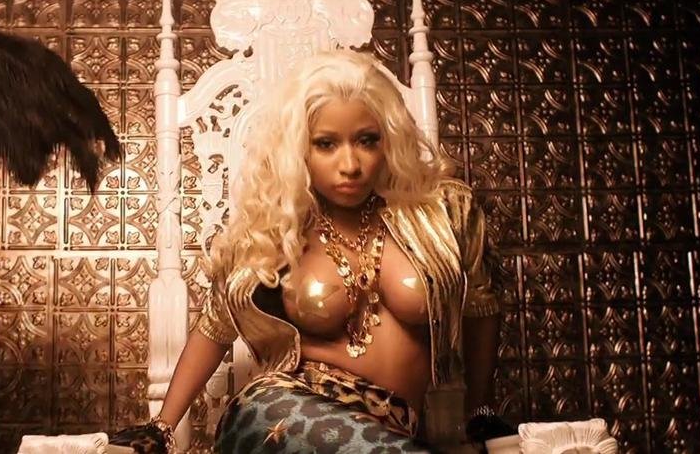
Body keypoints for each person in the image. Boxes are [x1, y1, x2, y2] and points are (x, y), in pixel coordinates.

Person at [110, 50, 503, 453]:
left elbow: (481, 307)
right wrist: (161, 427)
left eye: (367, 140)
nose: (350, 164)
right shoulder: (272, 230)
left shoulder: (443, 214)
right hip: (278, 415)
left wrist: (481, 412)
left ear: (390, 139)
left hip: (390, 433)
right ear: (299, 149)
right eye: (326, 144)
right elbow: (214, 329)